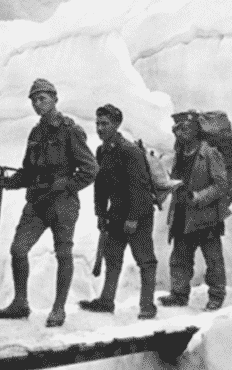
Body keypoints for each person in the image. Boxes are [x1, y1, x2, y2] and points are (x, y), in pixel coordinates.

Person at [0, 78, 98, 327]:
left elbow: (90, 169)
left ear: (54, 99)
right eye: (33, 100)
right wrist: (9, 183)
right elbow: (28, 171)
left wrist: (67, 185)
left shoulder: (70, 130)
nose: (37, 104)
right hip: (37, 203)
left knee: (63, 253)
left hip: (62, 204)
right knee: (18, 249)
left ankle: (59, 308)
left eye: (42, 98)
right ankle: (21, 303)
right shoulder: (36, 133)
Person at [78, 104, 158, 319]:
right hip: (115, 214)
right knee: (112, 258)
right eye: (97, 123)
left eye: (105, 123)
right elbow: (100, 185)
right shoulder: (102, 151)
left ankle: (147, 305)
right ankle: (106, 300)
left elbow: (139, 187)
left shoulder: (129, 151)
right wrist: (100, 213)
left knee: (145, 260)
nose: (100, 128)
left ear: (117, 124)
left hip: (138, 214)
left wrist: (132, 218)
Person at [158, 110, 229, 311]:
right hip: (182, 214)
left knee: (213, 259)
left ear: (195, 130)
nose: (181, 133)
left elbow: (221, 184)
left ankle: (216, 296)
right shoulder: (179, 153)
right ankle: (179, 294)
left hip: (206, 216)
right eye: (178, 129)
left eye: (185, 128)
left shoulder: (209, 153)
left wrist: (198, 197)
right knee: (179, 257)